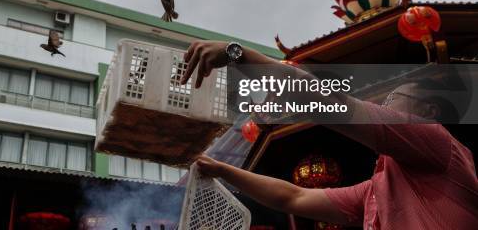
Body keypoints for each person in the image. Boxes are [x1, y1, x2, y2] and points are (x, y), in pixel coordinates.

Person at [181, 41, 478, 229]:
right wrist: (219, 168)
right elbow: (292, 197)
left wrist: (237, 54)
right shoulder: (376, 189)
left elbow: (331, 105)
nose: (382, 107)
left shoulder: (436, 142)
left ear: (428, 111)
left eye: (391, 100)